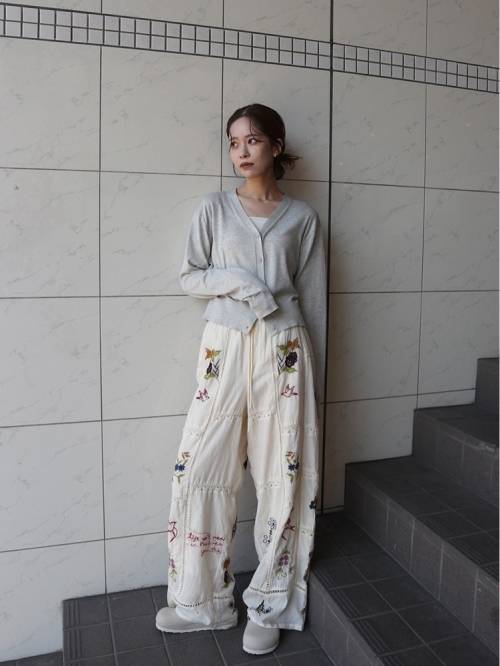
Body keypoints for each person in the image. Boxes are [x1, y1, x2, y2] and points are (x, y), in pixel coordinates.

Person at [155, 103, 327, 655]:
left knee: (283, 475)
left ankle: (271, 603)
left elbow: (314, 301)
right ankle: (202, 601)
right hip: (225, 345)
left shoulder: (302, 218)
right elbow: (191, 275)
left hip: (284, 349)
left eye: (252, 140)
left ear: (276, 146)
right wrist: (238, 282)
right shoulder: (213, 208)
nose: (242, 151)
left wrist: (313, 380)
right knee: (199, 469)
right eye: (233, 142)